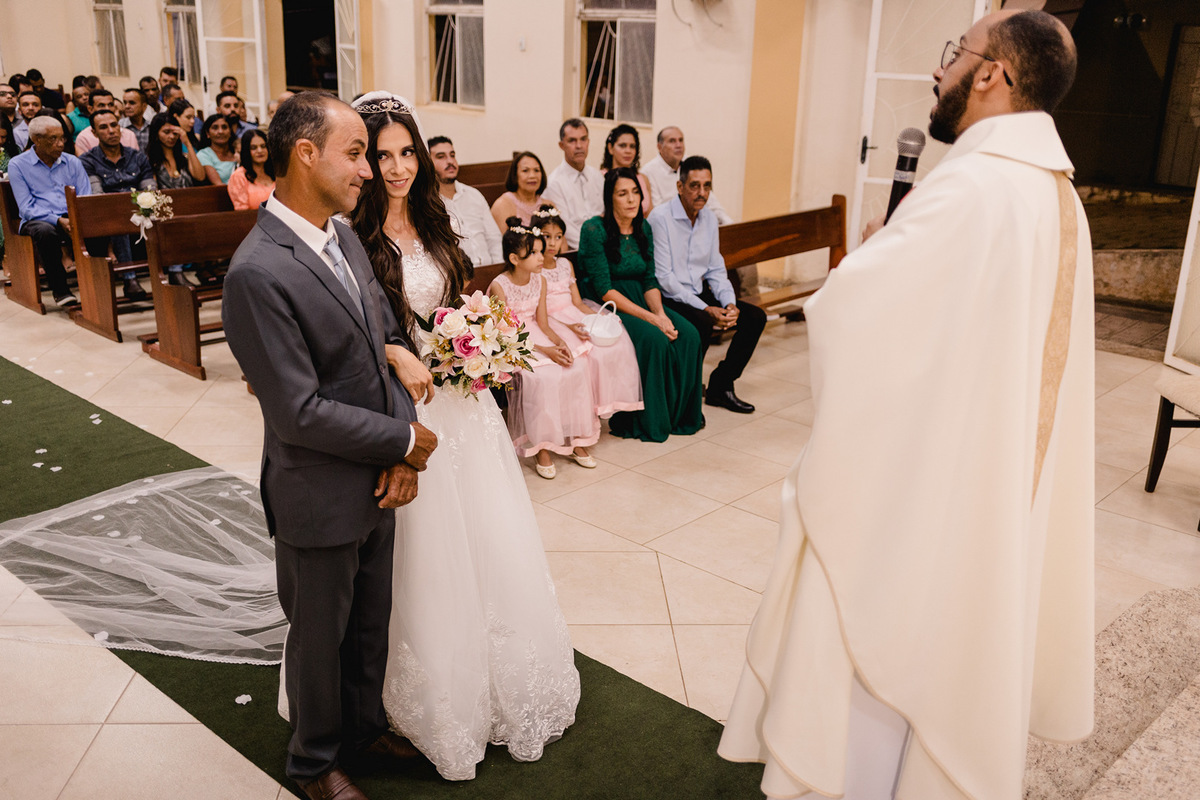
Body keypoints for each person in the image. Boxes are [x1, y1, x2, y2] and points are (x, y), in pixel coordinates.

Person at [718, 11, 1094, 800]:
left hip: (914, 499)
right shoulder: (1058, 199)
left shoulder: (972, 186)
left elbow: (856, 313)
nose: (940, 71)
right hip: (979, 488)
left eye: (957, 54)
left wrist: (864, 269)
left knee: (872, 644)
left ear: (994, 75)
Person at [348, 90, 579, 781]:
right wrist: (399, 352)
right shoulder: (354, 237)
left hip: (464, 401)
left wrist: (481, 339)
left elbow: (458, 300)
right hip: (407, 408)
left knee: (488, 539)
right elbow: (358, 329)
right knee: (426, 550)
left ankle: (498, 676)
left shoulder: (436, 219)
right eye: (381, 155)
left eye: (405, 152)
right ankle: (421, 697)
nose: (396, 168)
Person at [222, 90, 438, 800]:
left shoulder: (340, 235)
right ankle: (314, 764)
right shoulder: (258, 271)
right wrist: (405, 438)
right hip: (317, 486)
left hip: (375, 473)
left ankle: (363, 726)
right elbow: (297, 412)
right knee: (320, 636)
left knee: (369, 618)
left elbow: (386, 335)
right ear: (304, 154)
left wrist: (397, 448)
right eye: (355, 153)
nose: (369, 170)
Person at [577, 167, 704, 442]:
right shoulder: (593, 229)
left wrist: (660, 313)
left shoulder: (643, 226)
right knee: (654, 340)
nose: (632, 199)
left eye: (635, 192)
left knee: (689, 335)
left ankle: (678, 415)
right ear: (610, 198)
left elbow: (649, 279)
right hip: (609, 304)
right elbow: (604, 289)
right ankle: (648, 420)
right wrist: (651, 320)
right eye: (623, 194)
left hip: (642, 297)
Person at [649, 155, 765, 414]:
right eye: (694, 186)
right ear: (680, 187)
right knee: (700, 324)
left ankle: (721, 386)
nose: (702, 193)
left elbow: (715, 269)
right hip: (670, 297)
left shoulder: (709, 219)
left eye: (707, 186)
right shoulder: (661, 219)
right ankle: (685, 397)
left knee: (754, 318)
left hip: (699, 294)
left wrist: (729, 304)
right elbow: (665, 279)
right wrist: (707, 308)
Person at [489, 218, 599, 478]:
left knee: (576, 365)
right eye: (534, 253)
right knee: (542, 377)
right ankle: (542, 447)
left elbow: (543, 321)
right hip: (514, 341)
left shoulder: (540, 281)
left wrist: (560, 342)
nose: (542, 257)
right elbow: (503, 331)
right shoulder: (499, 285)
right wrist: (545, 350)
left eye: (541, 251)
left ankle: (574, 439)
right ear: (515, 258)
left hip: (538, 332)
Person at [533, 204, 643, 422]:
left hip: (573, 313)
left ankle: (608, 405)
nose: (553, 243)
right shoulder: (535, 270)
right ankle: (585, 410)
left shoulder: (565, 264)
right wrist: (569, 326)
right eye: (546, 236)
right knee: (588, 353)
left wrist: (600, 317)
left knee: (617, 341)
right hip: (553, 320)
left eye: (558, 236)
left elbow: (578, 302)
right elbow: (541, 314)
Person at [7, 116, 91, 307]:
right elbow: (26, 208)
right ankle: (60, 290)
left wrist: (76, 218)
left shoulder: (72, 162)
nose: (60, 144)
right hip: (38, 219)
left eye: (62, 138)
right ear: (36, 140)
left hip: (71, 214)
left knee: (96, 226)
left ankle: (97, 284)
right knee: (46, 232)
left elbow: (85, 196)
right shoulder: (18, 164)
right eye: (53, 139)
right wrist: (58, 220)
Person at [79, 108, 156, 300]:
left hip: (139, 208)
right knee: (118, 217)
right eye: (104, 127)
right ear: (95, 133)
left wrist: (144, 206)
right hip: (106, 213)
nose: (111, 130)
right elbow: (98, 195)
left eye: (114, 125)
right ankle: (130, 279)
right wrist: (126, 206)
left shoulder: (137, 157)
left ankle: (172, 271)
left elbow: (149, 188)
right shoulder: (87, 160)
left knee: (162, 212)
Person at [427, 134, 502, 266]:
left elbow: (494, 239)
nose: (450, 161)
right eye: (441, 157)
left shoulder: (473, 195)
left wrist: (497, 271)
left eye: (452, 155)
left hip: (490, 272)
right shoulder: (429, 202)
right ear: (427, 162)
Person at [643, 126, 734, 224]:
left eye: (681, 140)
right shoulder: (648, 172)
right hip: (669, 226)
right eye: (672, 141)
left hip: (698, 222)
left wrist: (730, 225)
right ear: (659, 147)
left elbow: (712, 203)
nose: (678, 145)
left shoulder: (691, 165)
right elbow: (657, 212)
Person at [542, 118, 603, 249]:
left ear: (588, 142)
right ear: (561, 145)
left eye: (583, 139)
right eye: (572, 141)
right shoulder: (554, 183)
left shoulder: (597, 176)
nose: (579, 146)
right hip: (577, 250)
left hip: (606, 244)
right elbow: (566, 228)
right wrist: (592, 246)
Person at [490, 150, 552, 229]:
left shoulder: (548, 205)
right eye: (525, 170)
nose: (532, 176)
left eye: (536, 170)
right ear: (515, 175)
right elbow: (500, 240)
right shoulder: (502, 205)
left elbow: (561, 239)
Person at [600, 123, 652, 215]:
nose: (628, 151)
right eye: (622, 145)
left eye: (632, 146)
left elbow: (649, 214)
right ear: (610, 148)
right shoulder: (601, 178)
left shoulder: (643, 179)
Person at [75, 90, 139, 153]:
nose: (107, 109)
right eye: (101, 105)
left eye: (110, 105)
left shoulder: (129, 135)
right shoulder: (84, 138)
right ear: (90, 109)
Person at [227, 128, 275, 210]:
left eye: (263, 146)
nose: (260, 151)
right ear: (246, 151)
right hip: (253, 221)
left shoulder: (276, 172)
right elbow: (242, 212)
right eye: (253, 148)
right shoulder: (239, 176)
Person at [197, 113, 237, 184]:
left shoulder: (237, 152)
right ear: (207, 133)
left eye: (224, 127)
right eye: (215, 128)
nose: (220, 131)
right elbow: (218, 184)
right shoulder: (204, 154)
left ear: (230, 132)